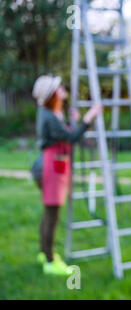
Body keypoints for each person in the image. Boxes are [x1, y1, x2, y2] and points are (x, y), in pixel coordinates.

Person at [31, 75, 102, 276]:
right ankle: (50, 261)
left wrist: (74, 120)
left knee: (49, 213)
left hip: (54, 165)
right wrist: (89, 118)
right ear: (53, 94)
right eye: (58, 87)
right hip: (51, 167)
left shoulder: (52, 112)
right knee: (52, 215)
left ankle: (44, 253)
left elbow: (62, 133)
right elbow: (70, 138)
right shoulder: (50, 116)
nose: (62, 88)